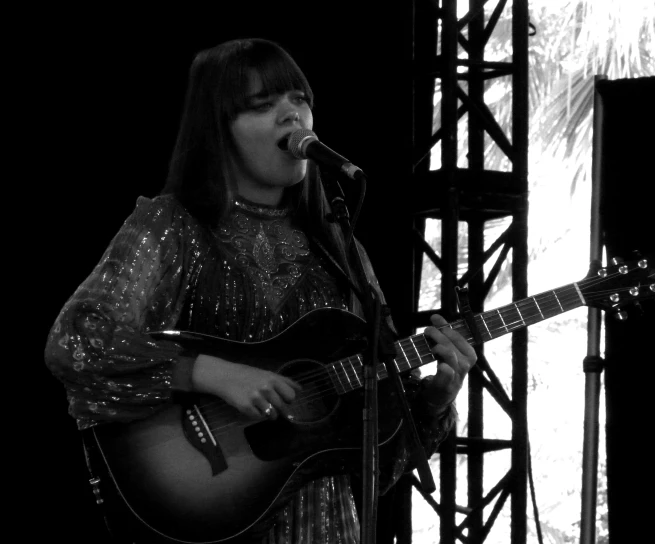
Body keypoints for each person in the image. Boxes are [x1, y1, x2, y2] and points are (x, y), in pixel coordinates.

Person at [44, 38, 476, 544]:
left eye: (299, 99)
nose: (292, 116)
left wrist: (433, 400)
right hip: (213, 515)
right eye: (264, 105)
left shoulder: (340, 246)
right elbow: (78, 338)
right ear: (218, 131)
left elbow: (379, 462)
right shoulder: (172, 225)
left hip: (327, 525)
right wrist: (211, 373)